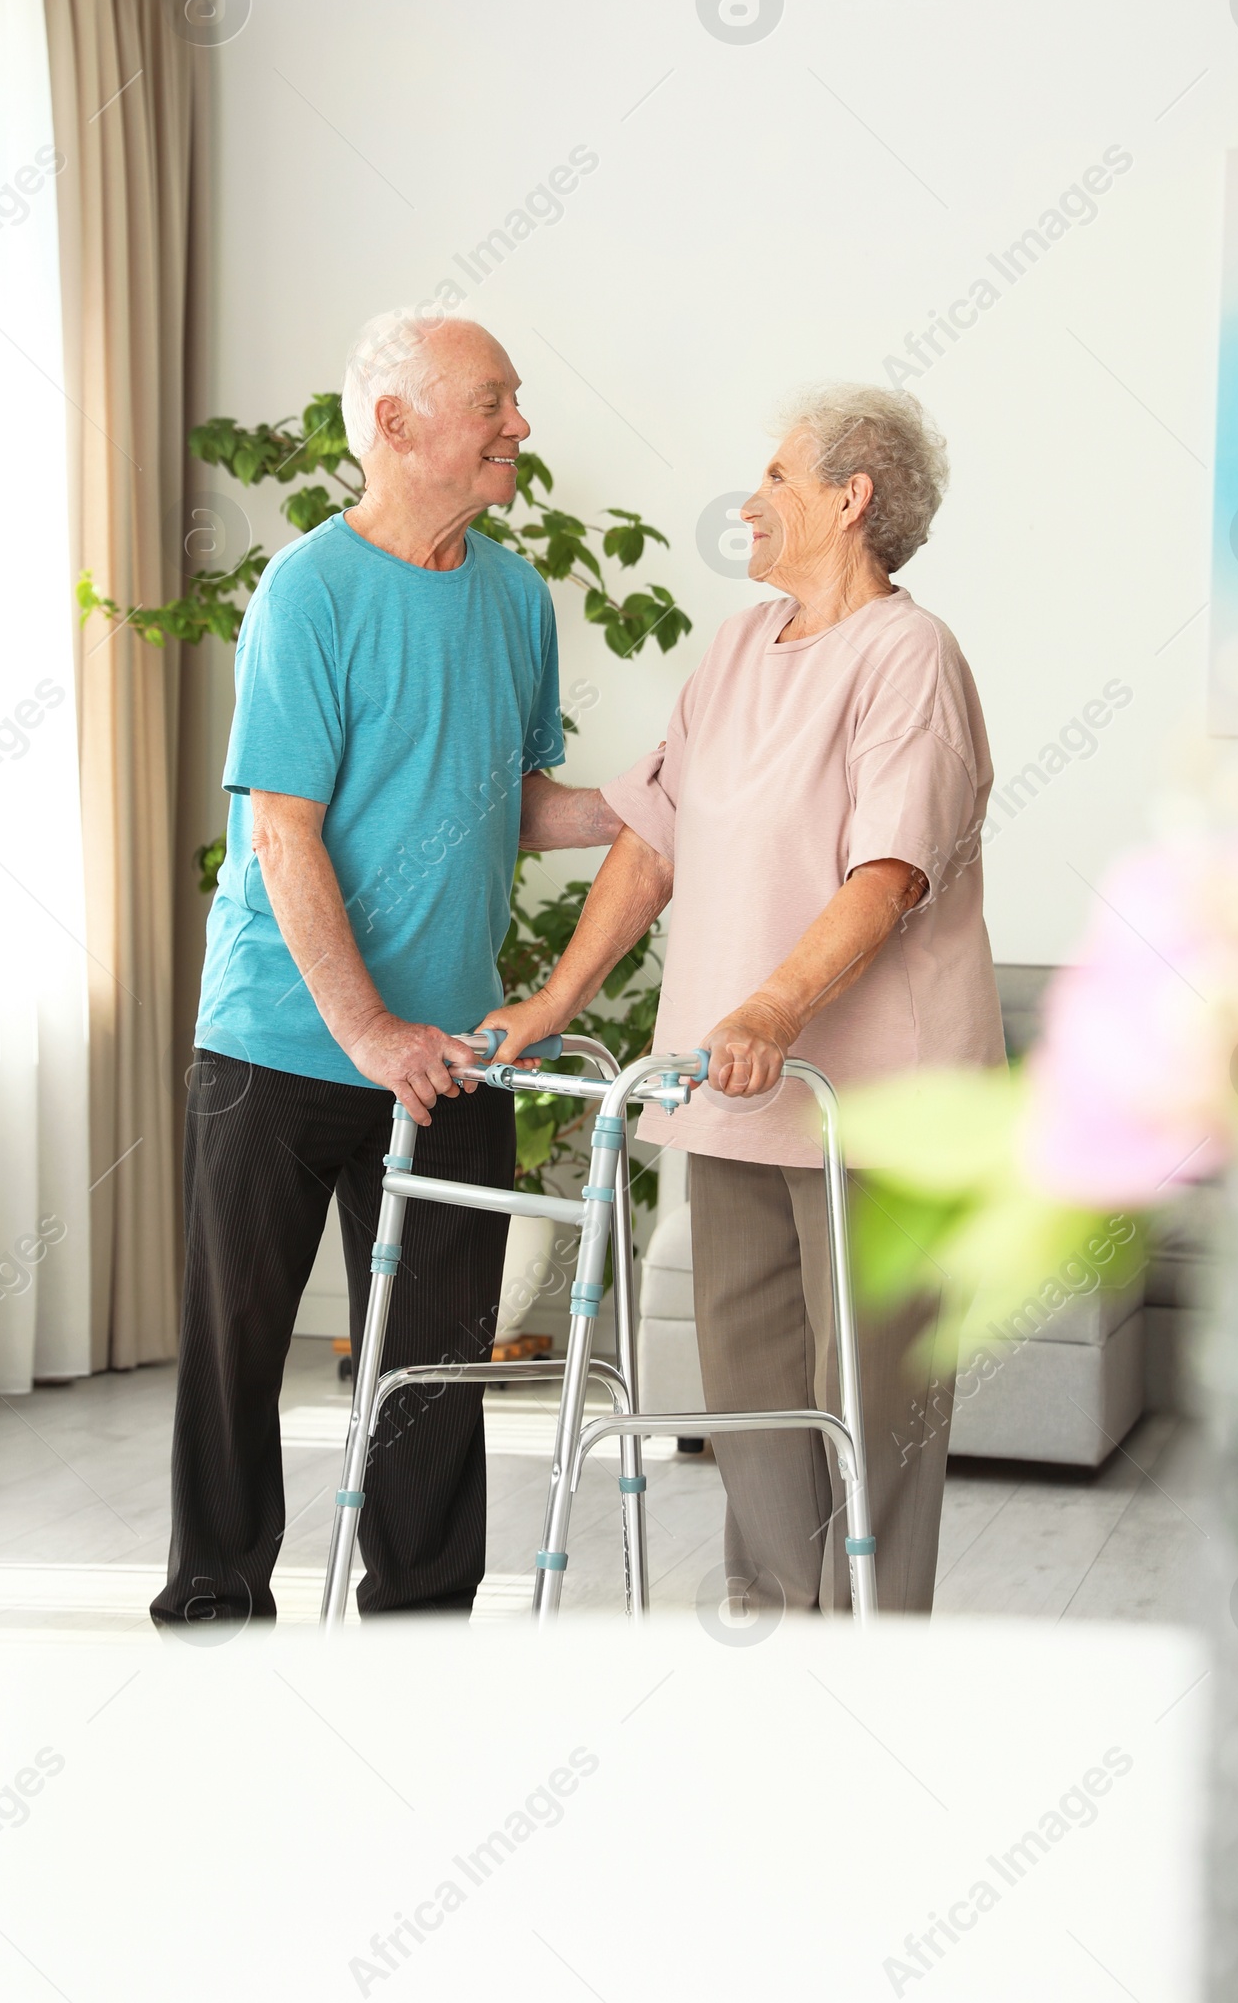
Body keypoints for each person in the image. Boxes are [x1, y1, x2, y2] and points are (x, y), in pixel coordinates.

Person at [488, 386, 1004, 1615]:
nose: (752, 500)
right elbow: (650, 839)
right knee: (749, 1396)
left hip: (873, 1106)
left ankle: (867, 1660)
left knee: (870, 1402)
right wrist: (557, 999)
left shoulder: (907, 657)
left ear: (849, 498)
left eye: (775, 476)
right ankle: (774, 1646)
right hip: (724, 1095)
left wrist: (771, 1012)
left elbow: (888, 871)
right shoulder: (729, 650)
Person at [152, 308, 617, 1626]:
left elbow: (516, 800)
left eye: (515, 401)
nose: (518, 425)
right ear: (399, 423)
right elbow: (281, 831)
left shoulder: (517, 597)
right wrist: (363, 1032)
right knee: (239, 1355)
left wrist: (645, 802)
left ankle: (420, 1627)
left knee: (439, 1364)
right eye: (495, 401)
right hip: (280, 1046)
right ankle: (216, 1613)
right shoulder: (309, 590)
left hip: (451, 1055)